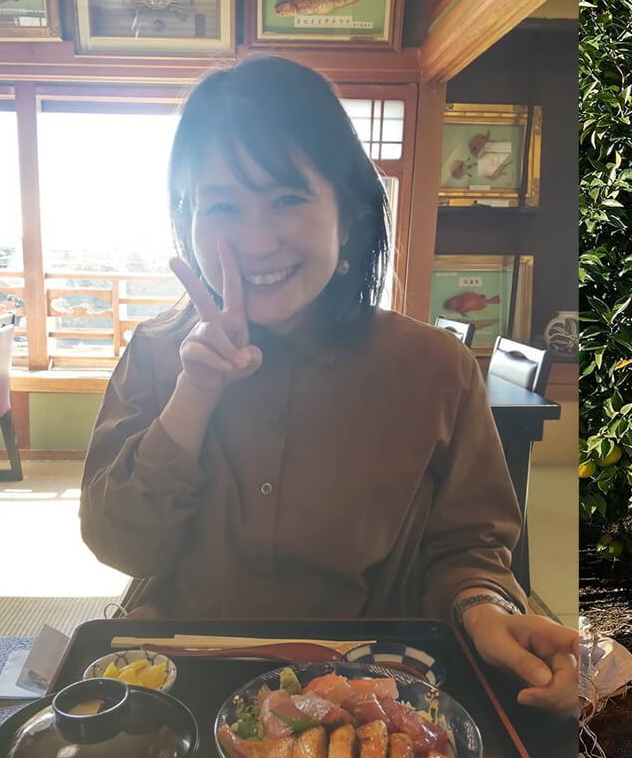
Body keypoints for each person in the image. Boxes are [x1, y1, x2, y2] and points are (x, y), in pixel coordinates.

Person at [79, 55, 576, 713]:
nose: (255, 241)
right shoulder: (154, 351)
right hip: (180, 689)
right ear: (187, 219)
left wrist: (485, 609)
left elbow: (468, 548)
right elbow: (119, 543)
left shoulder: (434, 369)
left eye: (287, 199)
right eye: (222, 205)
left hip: (365, 697)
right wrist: (193, 392)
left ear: (348, 214)